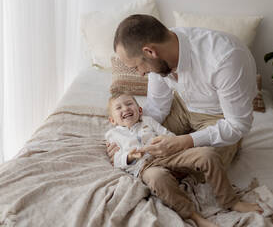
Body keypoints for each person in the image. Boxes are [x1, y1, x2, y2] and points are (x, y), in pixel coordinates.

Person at [106, 14, 263, 219]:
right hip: (182, 105)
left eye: (137, 67)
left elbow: (238, 125)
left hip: (220, 116)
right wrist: (125, 137)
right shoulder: (160, 58)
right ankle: (162, 176)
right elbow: (156, 107)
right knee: (149, 148)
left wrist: (185, 141)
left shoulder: (225, 58)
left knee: (204, 164)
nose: (141, 73)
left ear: (150, 52)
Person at [106, 92, 219, 227]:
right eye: (118, 108)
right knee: (157, 177)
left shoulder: (148, 121)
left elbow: (169, 136)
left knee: (199, 155)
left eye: (129, 104)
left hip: (166, 156)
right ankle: (193, 215)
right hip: (145, 166)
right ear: (112, 120)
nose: (125, 109)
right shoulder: (113, 134)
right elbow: (117, 160)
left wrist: (164, 143)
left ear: (140, 110)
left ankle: (204, 182)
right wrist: (130, 157)